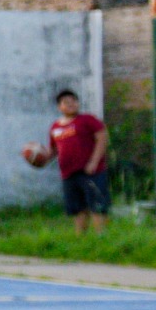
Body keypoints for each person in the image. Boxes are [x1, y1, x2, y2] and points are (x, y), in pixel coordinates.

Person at [37, 88, 111, 234]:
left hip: (91, 171)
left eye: (73, 101)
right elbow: (53, 150)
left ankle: (101, 237)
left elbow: (102, 139)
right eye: (66, 102)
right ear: (60, 107)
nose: (71, 104)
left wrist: (94, 162)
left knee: (97, 205)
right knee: (77, 208)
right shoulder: (55, 127)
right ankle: (80, 238)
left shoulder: (88, 120)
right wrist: (38, 157)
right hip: (69, 172)